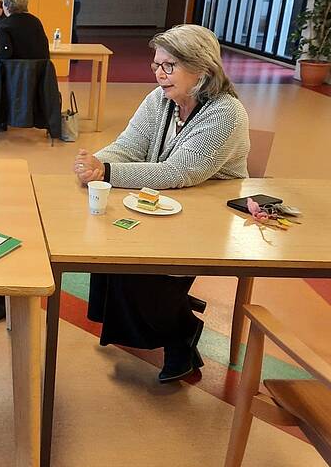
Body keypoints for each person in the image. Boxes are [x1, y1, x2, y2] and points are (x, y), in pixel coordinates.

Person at [73, 24, 250, 383]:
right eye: (156, 64)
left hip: (208, 223)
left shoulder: (226, 114)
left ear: (201, 69)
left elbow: (178, 171)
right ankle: (169, 316)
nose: (159, 73)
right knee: (110, 249)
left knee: (137, 263)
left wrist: (106, 171)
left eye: (169, 65)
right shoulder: (160, 100)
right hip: (161, 208)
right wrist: (95, 163)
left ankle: (181, 334)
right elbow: (129, 146)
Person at [0, 0, 49, 68]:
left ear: (6, 4)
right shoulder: (36, 22)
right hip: (37, 74)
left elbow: (5, 52)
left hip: (15, 74)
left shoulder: (3, 26)